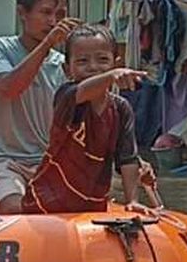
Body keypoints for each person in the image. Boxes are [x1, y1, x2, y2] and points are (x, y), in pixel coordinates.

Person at [0, 0, 80, 214]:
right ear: (23, 13)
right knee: (15, 211)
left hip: (46, 163)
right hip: (0, 159)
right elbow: (11, 87)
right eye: (46, 13)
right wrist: (47, 45)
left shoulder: (63, 65)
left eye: (60, 15)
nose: (53, 22)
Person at [23, 24, 150, 214]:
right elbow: (84, 90)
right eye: (82, 61)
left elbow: (127, 159)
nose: (93, 67)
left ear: (115, 63)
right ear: (67, 69)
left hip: (92, 206)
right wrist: (110, 76)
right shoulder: (67, 96)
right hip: (45, 204)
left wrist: (132, 200)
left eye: (102, 60)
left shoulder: (121, 109)